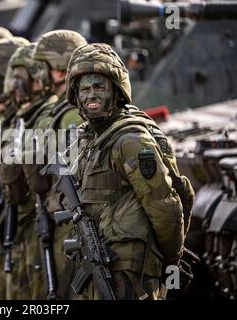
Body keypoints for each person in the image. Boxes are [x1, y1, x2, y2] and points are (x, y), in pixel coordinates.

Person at [66, 43, 188, 299]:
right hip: (97, 267)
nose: (91, 96)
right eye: (85, 89)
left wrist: (169, 262)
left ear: (117, 91)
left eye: (100, 87)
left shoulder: (130, 141)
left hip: (129, 275)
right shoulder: (88, 138)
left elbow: (165, 207)